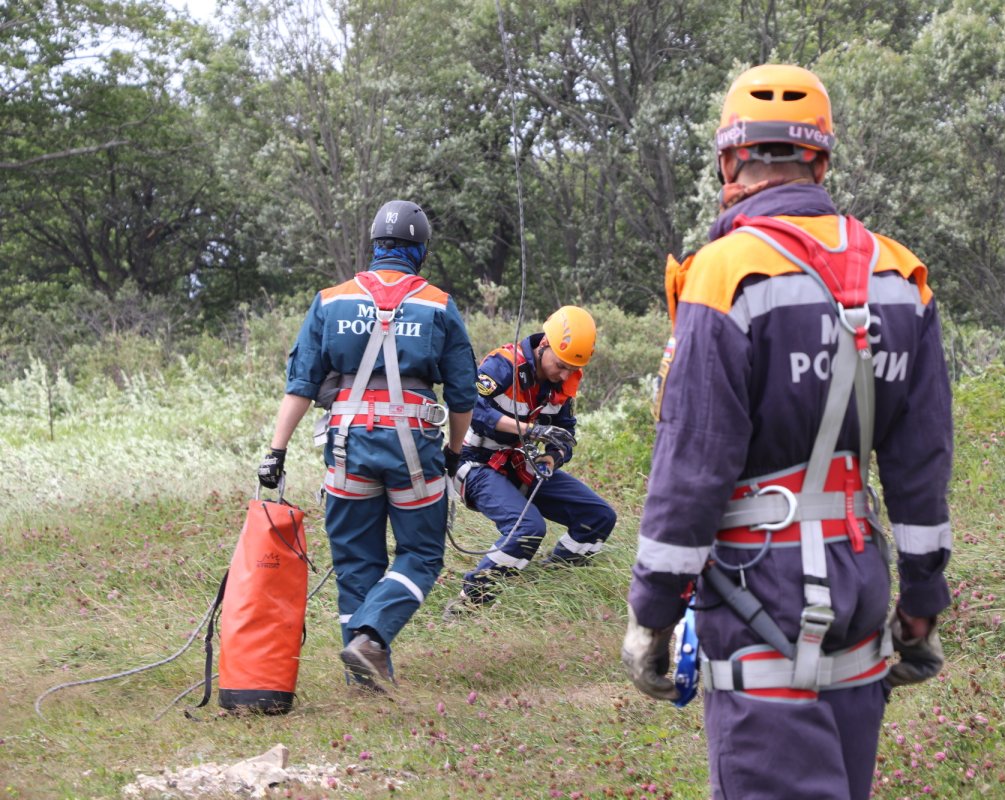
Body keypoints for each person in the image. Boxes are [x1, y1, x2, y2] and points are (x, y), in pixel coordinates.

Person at [621, 64, 953, 800]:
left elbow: (692, 468)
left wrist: (651, 613)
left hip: (757, 593)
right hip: (861, 585)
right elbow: (921, 465)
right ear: (821, 160)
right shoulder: (902, 277)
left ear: (730, 160)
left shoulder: (725, 274)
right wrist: (923, 600)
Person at [258, 199, 476, 692]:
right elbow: (463, 395)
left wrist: (276, 452)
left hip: (346, 446)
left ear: (375, 247)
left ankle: (364, 680)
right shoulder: (437, 304)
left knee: (357, 560)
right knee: (421, 554)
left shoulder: (331, 300)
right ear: (419, 252)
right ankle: (372, 639)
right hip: (412, 448)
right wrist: (455, 453)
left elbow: (300, 383)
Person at [444, 306, 618, 615]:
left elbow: (567, 434)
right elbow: (472, 408)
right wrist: (530, 430)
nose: (564, 375)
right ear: (544, 345)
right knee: (528, 527)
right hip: (476, 464)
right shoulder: (502, 365)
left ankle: (549, 580)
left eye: (571, 370)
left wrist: (552, 458)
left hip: (522, 465)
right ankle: (469, 603)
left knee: (599, 516)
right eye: (561, 366)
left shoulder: (563, 384)